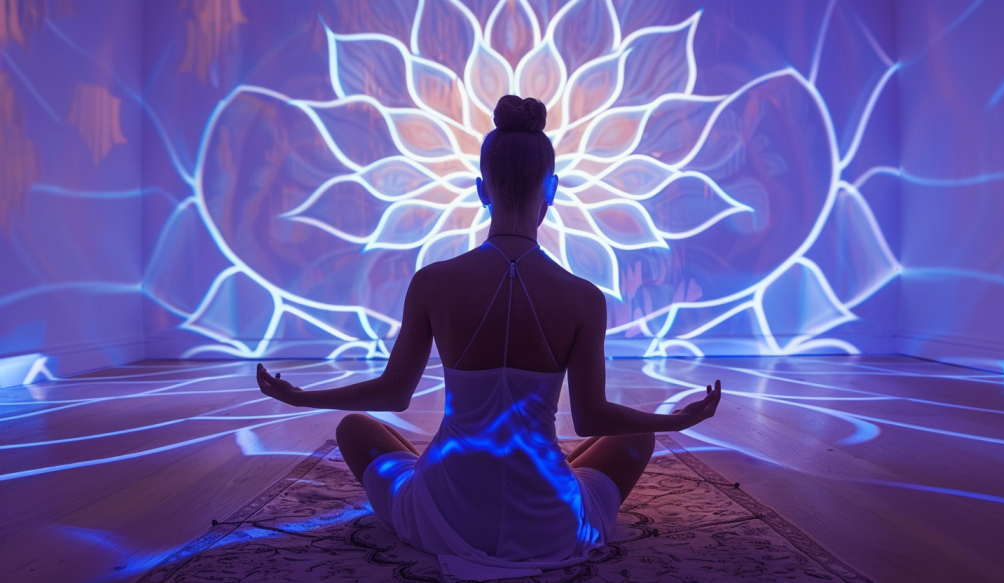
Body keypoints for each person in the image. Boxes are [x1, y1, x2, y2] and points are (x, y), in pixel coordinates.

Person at [256, 95, 722, 580]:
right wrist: (674, 421)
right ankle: (549, 470)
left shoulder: (433, 282)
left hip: (442, 518)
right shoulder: (583, 298)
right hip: (554, 525)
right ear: (553, 190)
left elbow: (393, 393)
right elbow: (591, 418)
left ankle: (458, 473)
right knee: (637, 438)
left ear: (481, 190)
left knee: (354, 428)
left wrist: (302, 397)